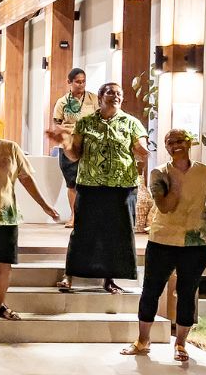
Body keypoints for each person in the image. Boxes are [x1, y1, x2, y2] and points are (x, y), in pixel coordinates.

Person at [121, 128, 206, 362]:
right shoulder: (158, 173)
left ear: (189, 143)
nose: (175, 145)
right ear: (166, 147)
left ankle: (181, 344)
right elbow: (165, 207)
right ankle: (143, 340)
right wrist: (175, 183)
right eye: (169, 142)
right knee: (151, 291)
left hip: (197, 242)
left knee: (187, 291)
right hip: (163, 239)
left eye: (179, 141)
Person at [46, 82, 148, 294]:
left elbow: (142, 150)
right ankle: (70, 275)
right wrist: (64, 143)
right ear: (100, 97)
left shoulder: (132, 123)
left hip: (122, 187)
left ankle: (109, 279)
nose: (116, 96)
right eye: (110, 92)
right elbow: (75, 154)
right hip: (90, 186)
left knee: (117, 234)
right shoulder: (85, 123)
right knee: (83, 231)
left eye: (119, 93)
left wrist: (142, 150)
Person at [0, 109, 60, 321]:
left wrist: (45, 206)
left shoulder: (11, 148)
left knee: (4, 263)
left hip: (6, 215)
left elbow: (26, 178)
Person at [52, 68, 100, 228]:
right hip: (69, 143)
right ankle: (74, 216)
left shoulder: (93, 98)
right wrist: (65, 135)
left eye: (83, 81)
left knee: (90, 181)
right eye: (78, 81)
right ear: (69, 82)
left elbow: (100, 118)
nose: (81, 84)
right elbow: (57, 123)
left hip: (89, 143)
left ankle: (89, 216)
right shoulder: (62, 102)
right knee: (72, 182)